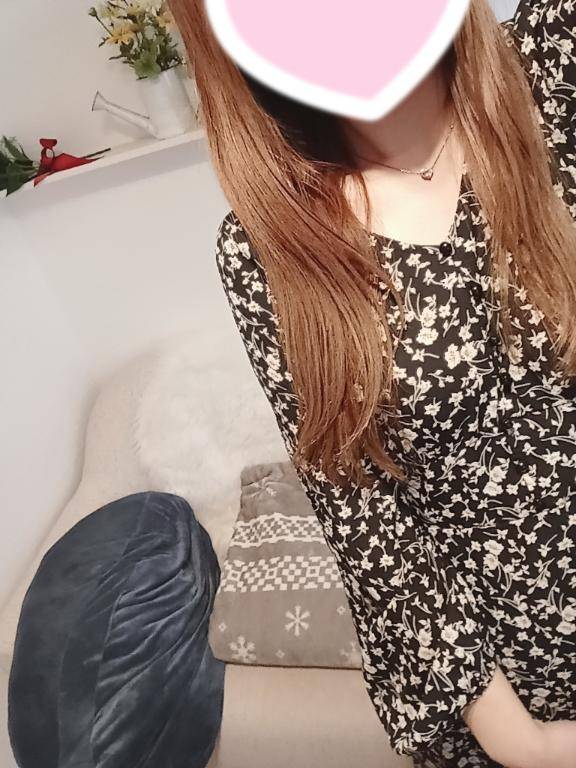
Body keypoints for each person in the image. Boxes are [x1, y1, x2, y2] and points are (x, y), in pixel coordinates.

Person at [169, 0, 576, 766]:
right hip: (508, 684)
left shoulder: (553, 68)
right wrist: (526, 743)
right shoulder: (265, 247)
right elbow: (363, 515)